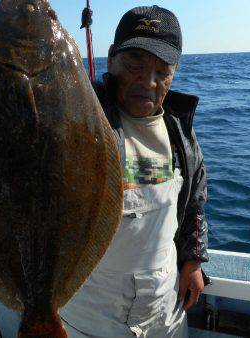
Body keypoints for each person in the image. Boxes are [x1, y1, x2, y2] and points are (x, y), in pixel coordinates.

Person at [60, 5, 209, 337]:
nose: (149, 81)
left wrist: (193, 260)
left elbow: (195, 201)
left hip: (165, 309)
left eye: (163, 70)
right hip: (87, 313)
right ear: (111, 59)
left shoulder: (179, 130)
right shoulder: (80, 119)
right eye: (135, 65)